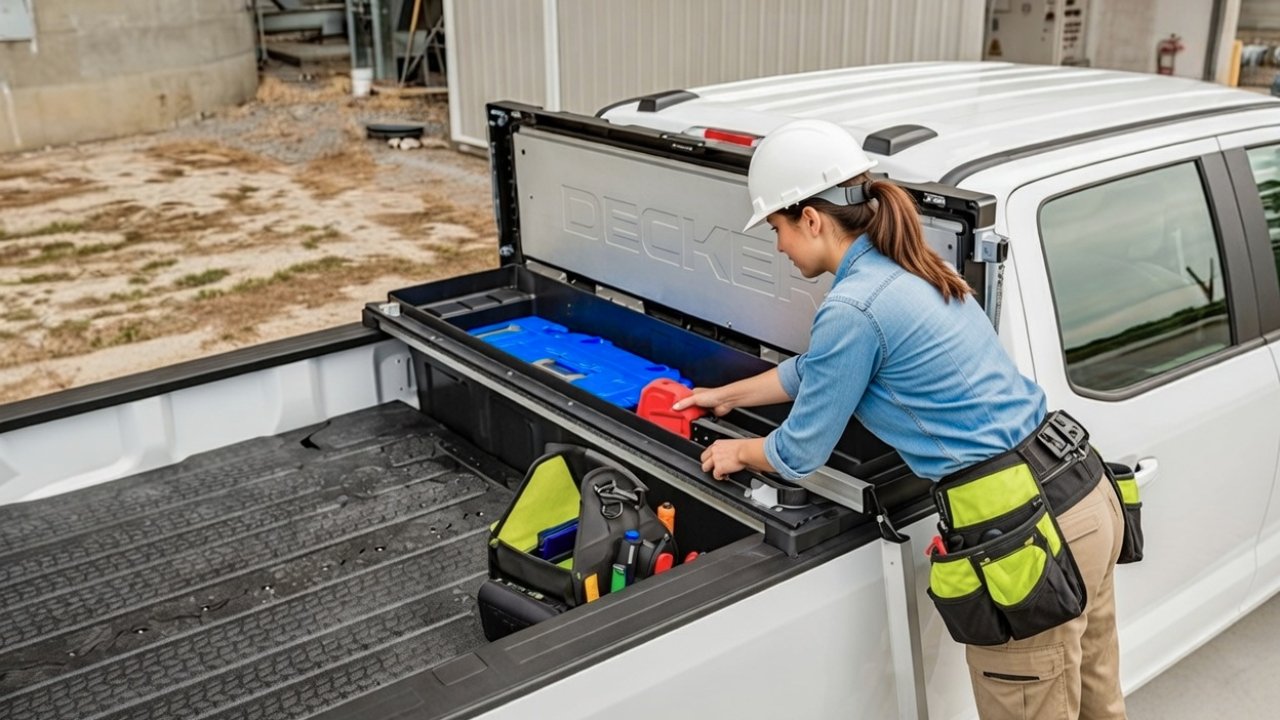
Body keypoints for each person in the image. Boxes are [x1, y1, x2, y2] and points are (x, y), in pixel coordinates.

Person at [671, 119, 1126, 720]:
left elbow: (797, 453)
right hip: (1081, 493)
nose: (778, 245)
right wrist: (727, 396)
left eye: (778, 227)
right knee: (1098, 703)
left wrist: (739, 452)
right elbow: (817, 369)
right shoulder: (908, 267)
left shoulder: (854, 306)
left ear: (812, 218)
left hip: (1024, 535)